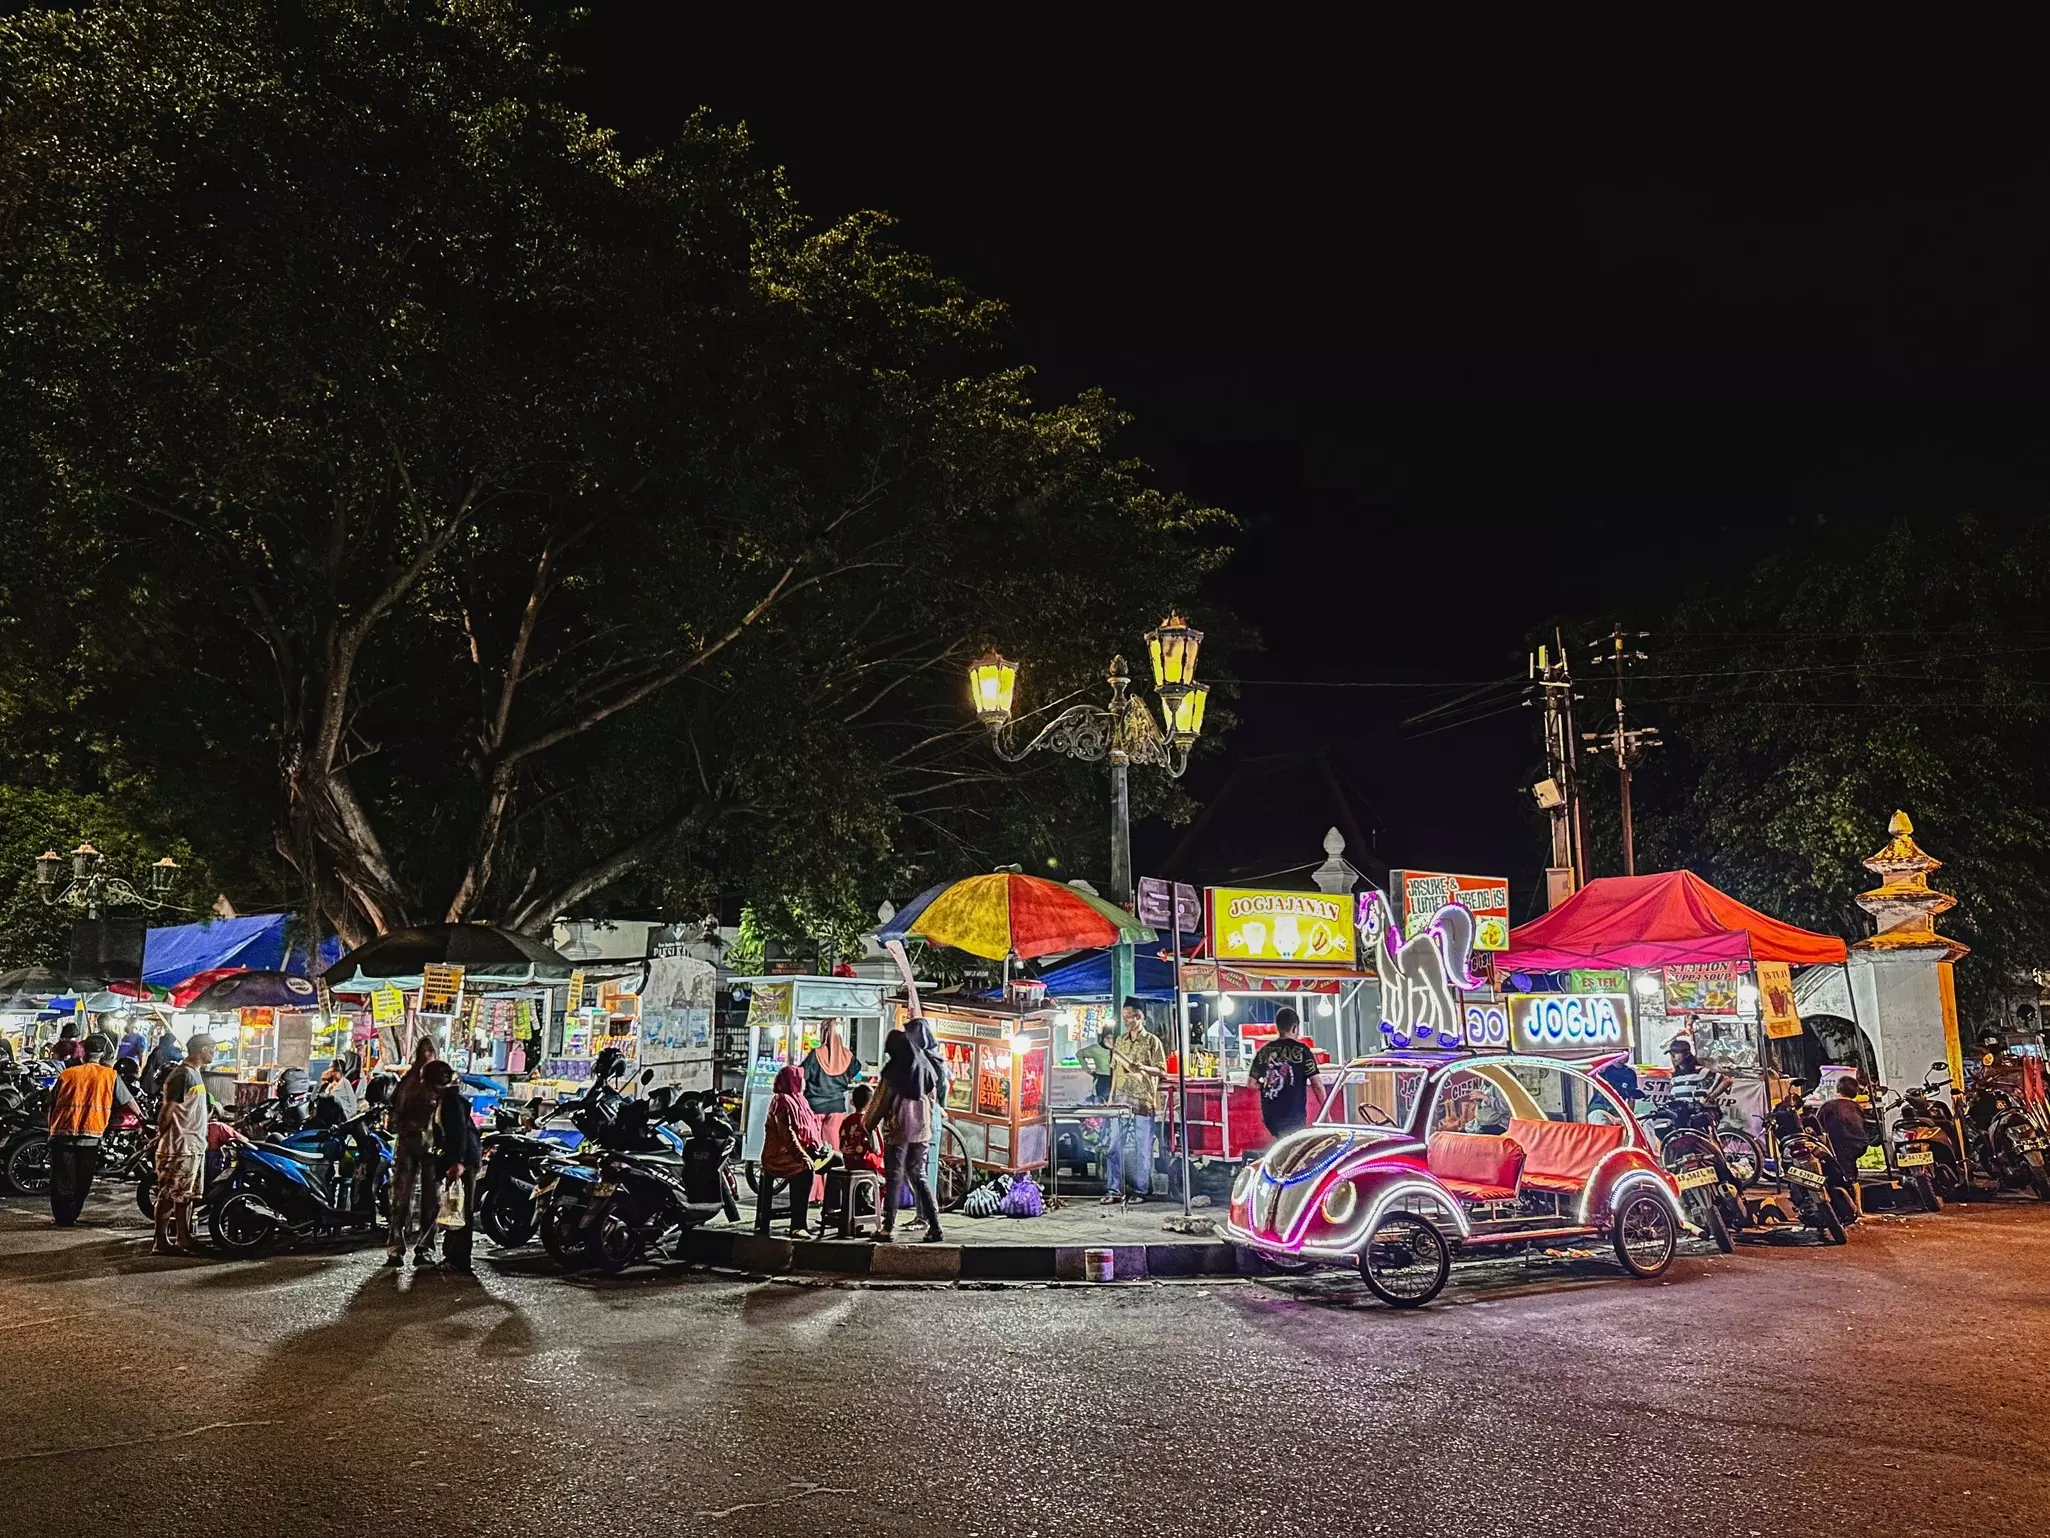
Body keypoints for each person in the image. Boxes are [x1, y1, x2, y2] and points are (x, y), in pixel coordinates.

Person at [867, 1019, 947, 1242]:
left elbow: (880, 1102)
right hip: (922, 1130)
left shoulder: (893, 1071)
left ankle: (887, 1228)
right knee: (918, 1175)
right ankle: (935, 1226)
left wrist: (867, 1125)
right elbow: (935, 1096)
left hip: (899, 1130)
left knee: (894, 1177)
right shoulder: (926, 1064)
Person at [47, 1032, 134, 1226]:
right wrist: (144, 1118)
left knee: (62, 1178)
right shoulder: (110, 1075)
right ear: (103, 1053)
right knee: (82, 1178)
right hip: (91, 1134)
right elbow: (129, 1101)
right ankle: (73, 1213)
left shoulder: (67, 1074)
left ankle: (63, 1217)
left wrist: (50, 1130)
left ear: (84, 1051)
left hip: (63, 1132)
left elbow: (50, 1102)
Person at [385, 1038, 444, 1269]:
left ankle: (425, 1247)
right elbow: (394, 1108)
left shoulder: (439, 1079)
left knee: (432, 1199)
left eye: (430, 1052)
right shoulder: (408, 1081)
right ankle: (395, 1246)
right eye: (424, 1052)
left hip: (431, 1146)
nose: (427, 1055)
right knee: (400, 1198)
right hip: (408, 1143)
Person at [154, 1032, 214, 1254]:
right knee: (169, 1196)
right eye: (212, 1048)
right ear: (203, 1050)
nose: (214, 1053)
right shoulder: (182, 1075)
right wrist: (162, 1138)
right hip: (178, 1147)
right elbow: (166, 1112)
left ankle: (183, 1238)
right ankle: (160, 1242)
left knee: (185, 1197)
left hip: (194, 1146)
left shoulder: (195, 1074)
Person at [1103, 998, 1166, 1204]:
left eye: (1129, 1017)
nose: (1126, 1021)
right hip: (1121, 1101)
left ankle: (1140, 1190)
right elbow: (1115, 1071)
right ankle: (1114, 1190)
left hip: (1143, 1101)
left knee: (1142, 1149)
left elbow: (1161, 1070)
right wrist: (1111, 1098)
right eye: (1124, 1017)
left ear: (1139, 1017)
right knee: (1113, 1147)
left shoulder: (1152, 1041)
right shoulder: (1120, 1041)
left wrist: (1144, 1068)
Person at [423, 1061, 482, 1274]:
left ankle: (460, 1259)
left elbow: (459, 1133)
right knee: (452, 1206)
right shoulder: (442, 1100)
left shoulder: (451, 1102)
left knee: (461, 1208)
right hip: (459, 1160)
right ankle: (452, 1256)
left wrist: (458, 1162)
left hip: (464, 1161)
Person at [756, 1063, 826, 1239]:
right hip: (779, 1156)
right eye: (800, 1079)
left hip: (796, 1151)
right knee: (805, 1171)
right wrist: (803, 1156)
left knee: (836, 1162)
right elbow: (788, 1134)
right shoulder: (781, 1102)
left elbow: (810, 1128)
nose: (803, 1082)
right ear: (791, 1081)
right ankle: (798, 1225)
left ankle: (832, 1215)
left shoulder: (799, 1100)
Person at [1247, 1006, 1321, 1140]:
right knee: (1293, 1146)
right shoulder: (1302, 1051)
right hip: (1294, 1113)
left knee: (1282, 1142)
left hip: (1270, 1114)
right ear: (1294, 1028)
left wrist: (1266, 1086)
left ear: (1278, 1027)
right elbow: (1316, 1084)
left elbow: (1251, 1084)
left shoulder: (1264, 1051)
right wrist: (1326, 1112)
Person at [1814, 1075, 1871, 1219]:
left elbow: (1816, 1126)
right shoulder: (1857, 1107)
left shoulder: (1828, 1105)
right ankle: (1859, 1210)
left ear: (1837, 1089)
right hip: (1856, 1146)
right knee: (1852, 1176)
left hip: (1834, 1148)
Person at [800, 1018, 863, 1116]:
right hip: (837, 1106)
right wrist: (846, 1076)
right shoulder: (847, 1055)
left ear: (823, 1033)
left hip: (815, 1106)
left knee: (814, 1132)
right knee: (833, 1132)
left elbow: (801, 1074)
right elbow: (856, 1068)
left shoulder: (815, 1054)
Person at [1077, 1025, 1116, 1102]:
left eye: (1112, 1038)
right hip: (1102, 1080)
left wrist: (1113, 1048)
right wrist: (1087, 1069)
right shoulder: (1095, 1048)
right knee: (1102, 1102)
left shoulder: (1117, 1049)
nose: (1110, 1040)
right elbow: (1079, 1054)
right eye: (1108, 1038)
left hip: (1117, 1079)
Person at [140, 1026, 182, 1097]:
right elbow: (179, 1057)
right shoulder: (167, 1050)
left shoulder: (158, 1049)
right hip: (155, 1079)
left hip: (149, 1077)